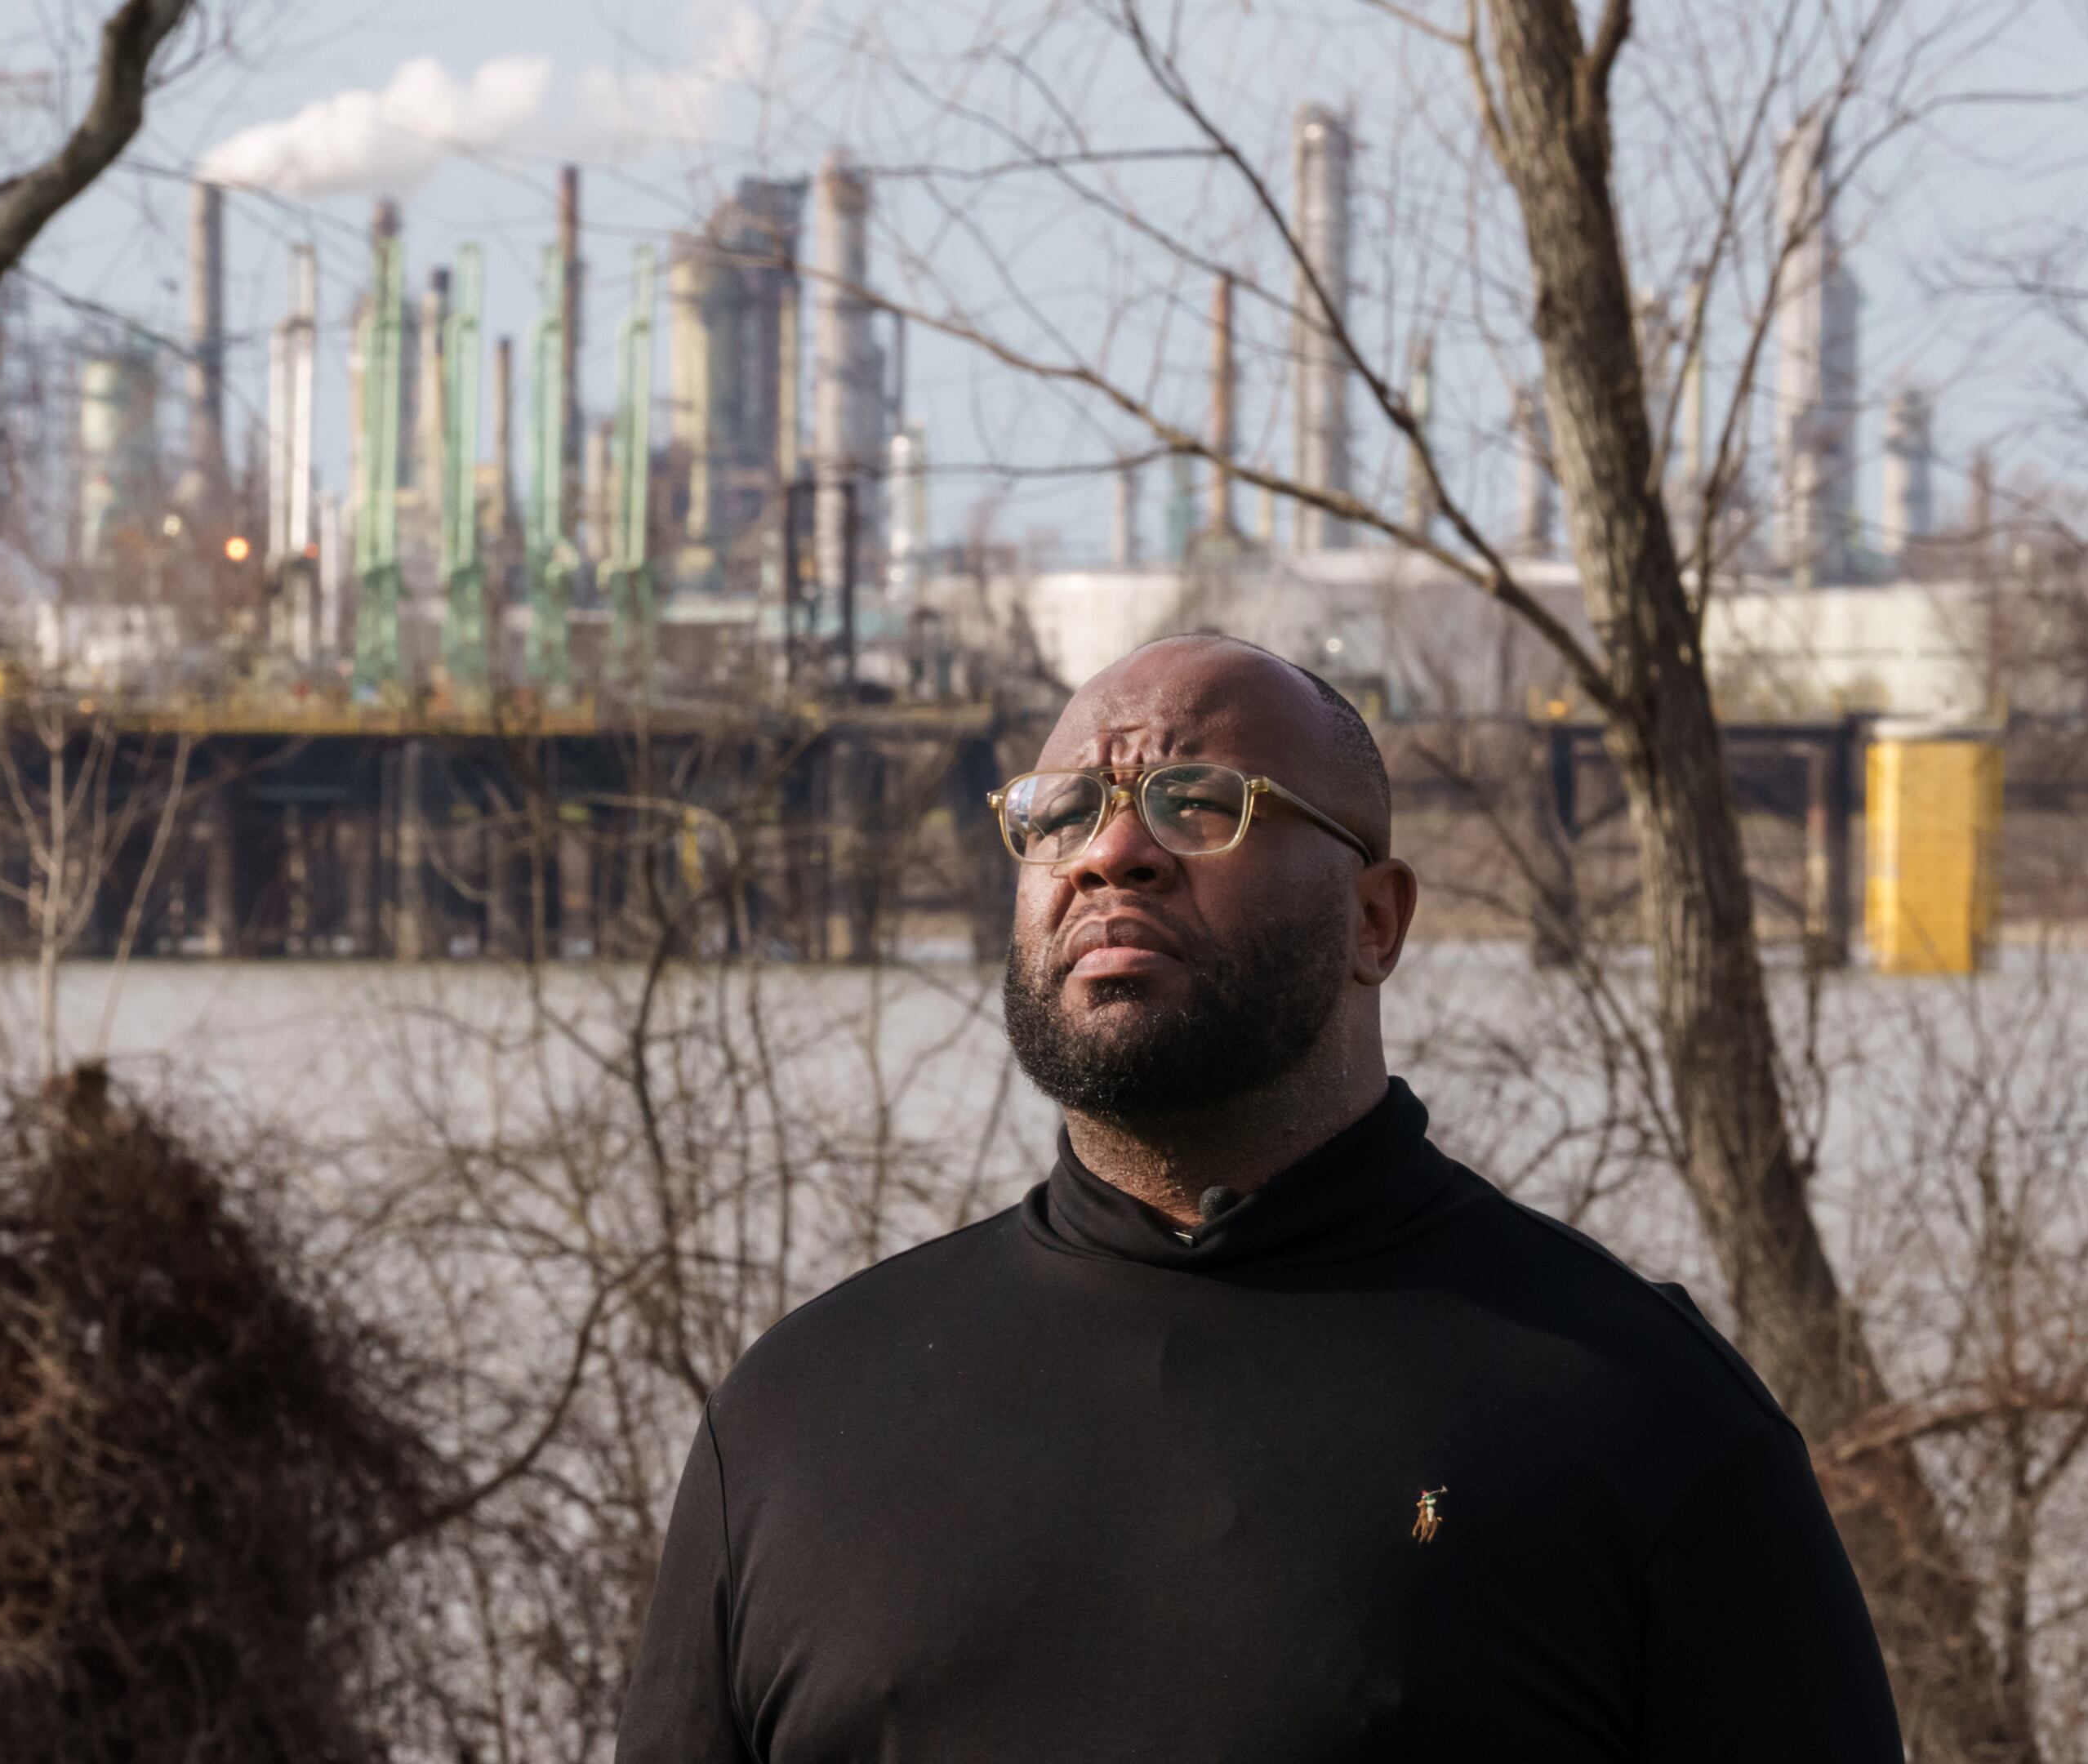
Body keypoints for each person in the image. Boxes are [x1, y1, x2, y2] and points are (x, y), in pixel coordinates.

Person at [616, 635, 1903, 1762]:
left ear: (1375, 922)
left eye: (1199, 803)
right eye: (1061, 813)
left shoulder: (1638, 1415)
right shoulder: (797, 1419)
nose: (1112, 852)